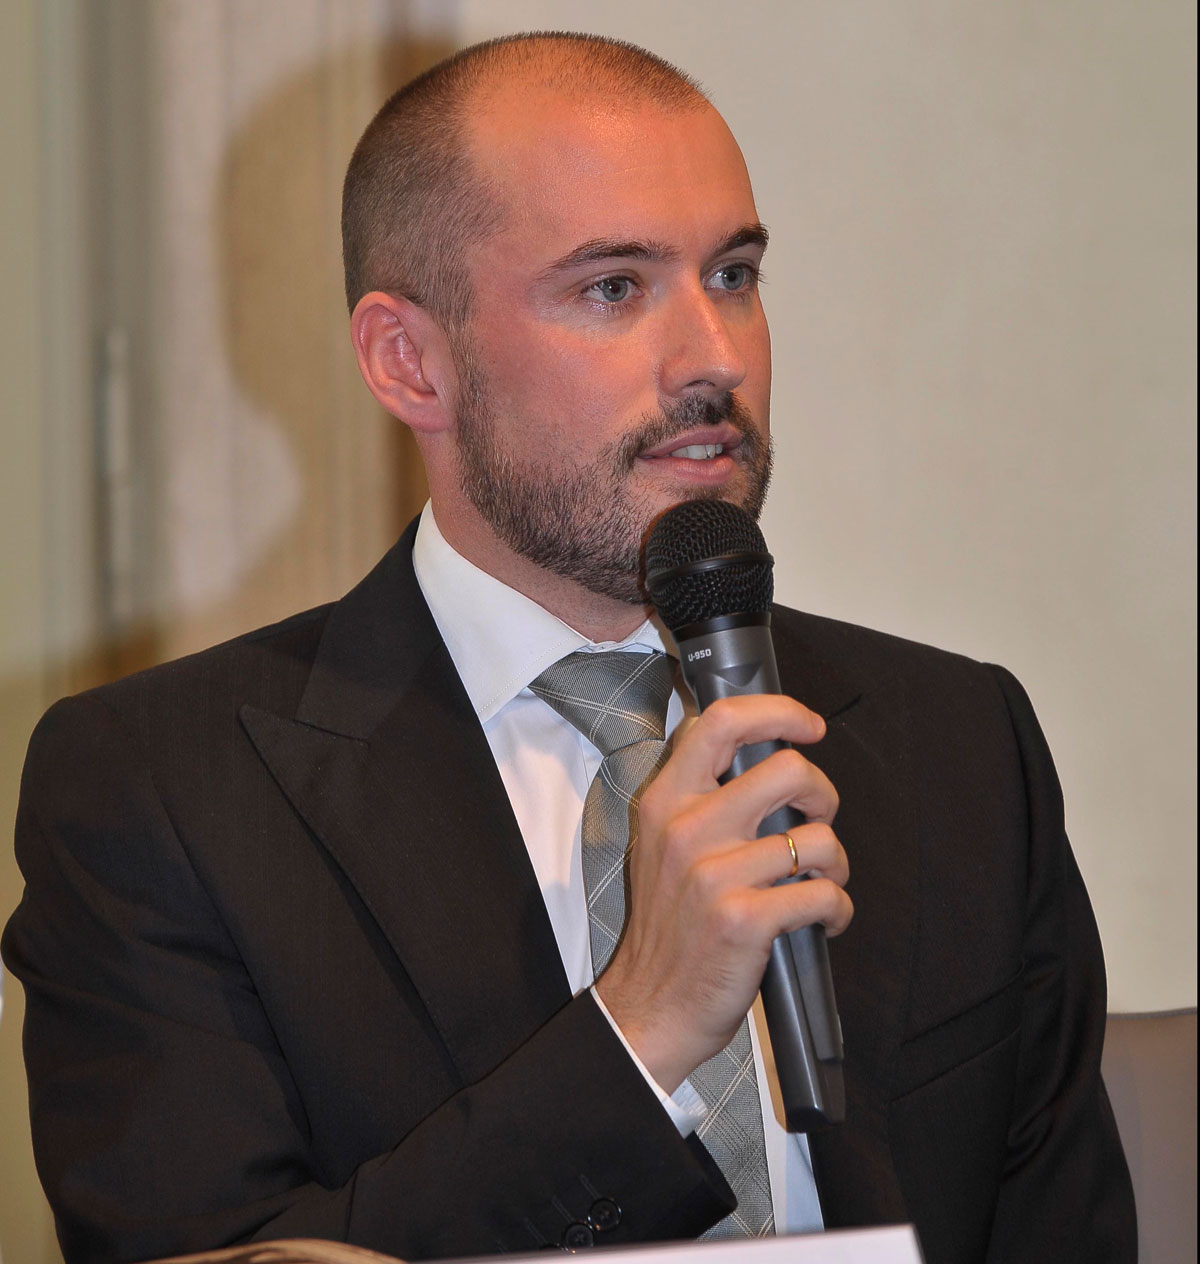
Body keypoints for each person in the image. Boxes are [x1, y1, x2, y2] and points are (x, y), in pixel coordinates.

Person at [3, 32, 1133, 1264]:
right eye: (613, 288)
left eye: (734, 274)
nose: (714, 357)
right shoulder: (163, 794)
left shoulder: (957, 742)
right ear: (411, 362)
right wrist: (642, 1028)